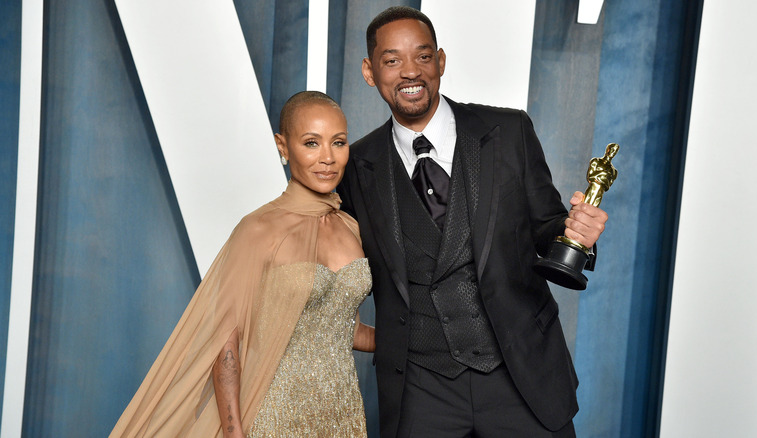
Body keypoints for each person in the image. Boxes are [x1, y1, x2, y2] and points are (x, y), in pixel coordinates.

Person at [336, 6, 608, 437]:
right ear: (370, 72)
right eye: (392, 60)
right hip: (420, 391)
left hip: (520, 376)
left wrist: (577, 235)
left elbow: (548, 225)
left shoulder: (509, 131)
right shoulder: (356, 167)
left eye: (422, 57)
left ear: (440, 61)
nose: (410, 72)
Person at [111, 91, 375, 437]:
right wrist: (235, 434)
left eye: (338, 143)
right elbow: (226, 341)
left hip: (342, 415)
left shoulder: (349, 226)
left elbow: (342, 327)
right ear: (283, 147)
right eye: (312, 143)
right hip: (273, 415)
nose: (327, 158)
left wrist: (421, 340)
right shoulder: (258, 229)